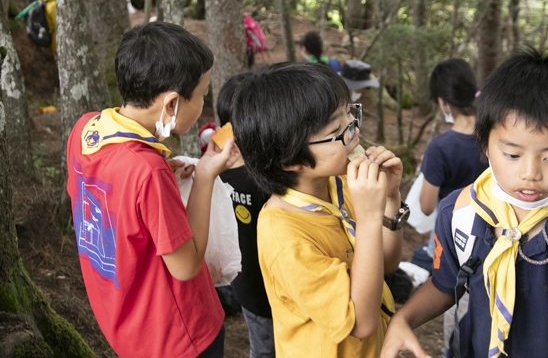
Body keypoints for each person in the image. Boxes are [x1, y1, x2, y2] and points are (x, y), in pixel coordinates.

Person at [380, 47, 548, 358]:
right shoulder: (460, 213)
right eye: (512, 154)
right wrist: (403, 319)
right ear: (484, 143)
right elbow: (445, 284)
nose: (530, 174)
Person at [66, 22, 239, 358]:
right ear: (172, 104)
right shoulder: (148, 171)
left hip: (123, 320)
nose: (203, 104)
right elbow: (186, 267)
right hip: (178, 335)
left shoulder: (85, 128)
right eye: (202, 95)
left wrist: (158, 181)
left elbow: (110, 192)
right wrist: (204, 177)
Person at [232, 62, 406, 357]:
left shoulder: (342, 183)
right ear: (290, 160)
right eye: (338, 130)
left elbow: (387, 264)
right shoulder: (284, 237)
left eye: (351, 114)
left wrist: (390, 198)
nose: (355, 131)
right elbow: (360, 323)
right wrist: (367, 218)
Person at [214, 73, 275, 358]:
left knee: (261, 348)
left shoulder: (216, 168)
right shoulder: (267, 179)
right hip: (267, 287)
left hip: (246, 285)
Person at [411, 58, 488, 273]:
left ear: (443, 102)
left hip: (452, 236)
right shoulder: (495, 136)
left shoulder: (440, 148)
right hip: (492, 230)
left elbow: (426, 207)